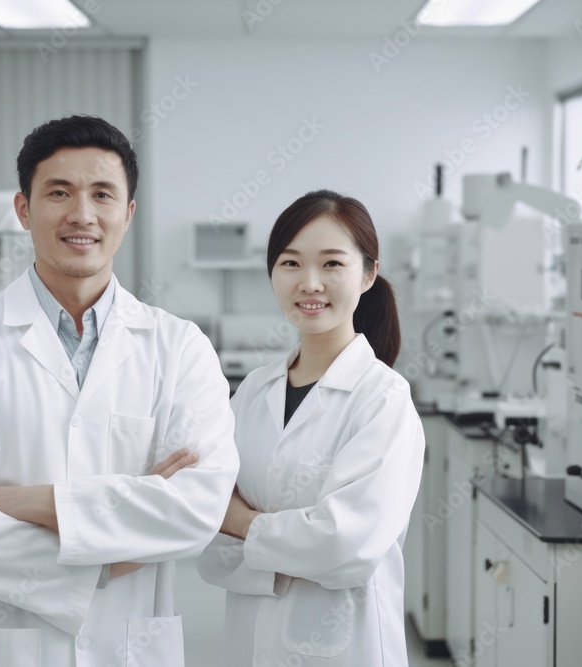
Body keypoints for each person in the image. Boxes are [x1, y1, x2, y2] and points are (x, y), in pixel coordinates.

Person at [0, 115, 239, 667]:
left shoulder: (179, 348)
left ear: (127, 213)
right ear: (24, 209)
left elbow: (196, 511)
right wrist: (101, 559)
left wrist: (15, 501)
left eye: (103, 194)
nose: (82, 214)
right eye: (59, 192)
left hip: (125, 647)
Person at [197, 189, 425, 667]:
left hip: (346, 648)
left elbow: (346, 547)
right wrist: (290, 549)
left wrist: (241, 522)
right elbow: (208, 542)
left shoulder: (383, 400)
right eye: (291, 263)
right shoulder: (253, 392)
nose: (310, 283)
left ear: (368, 274)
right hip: (251, 640)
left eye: (332, 264)